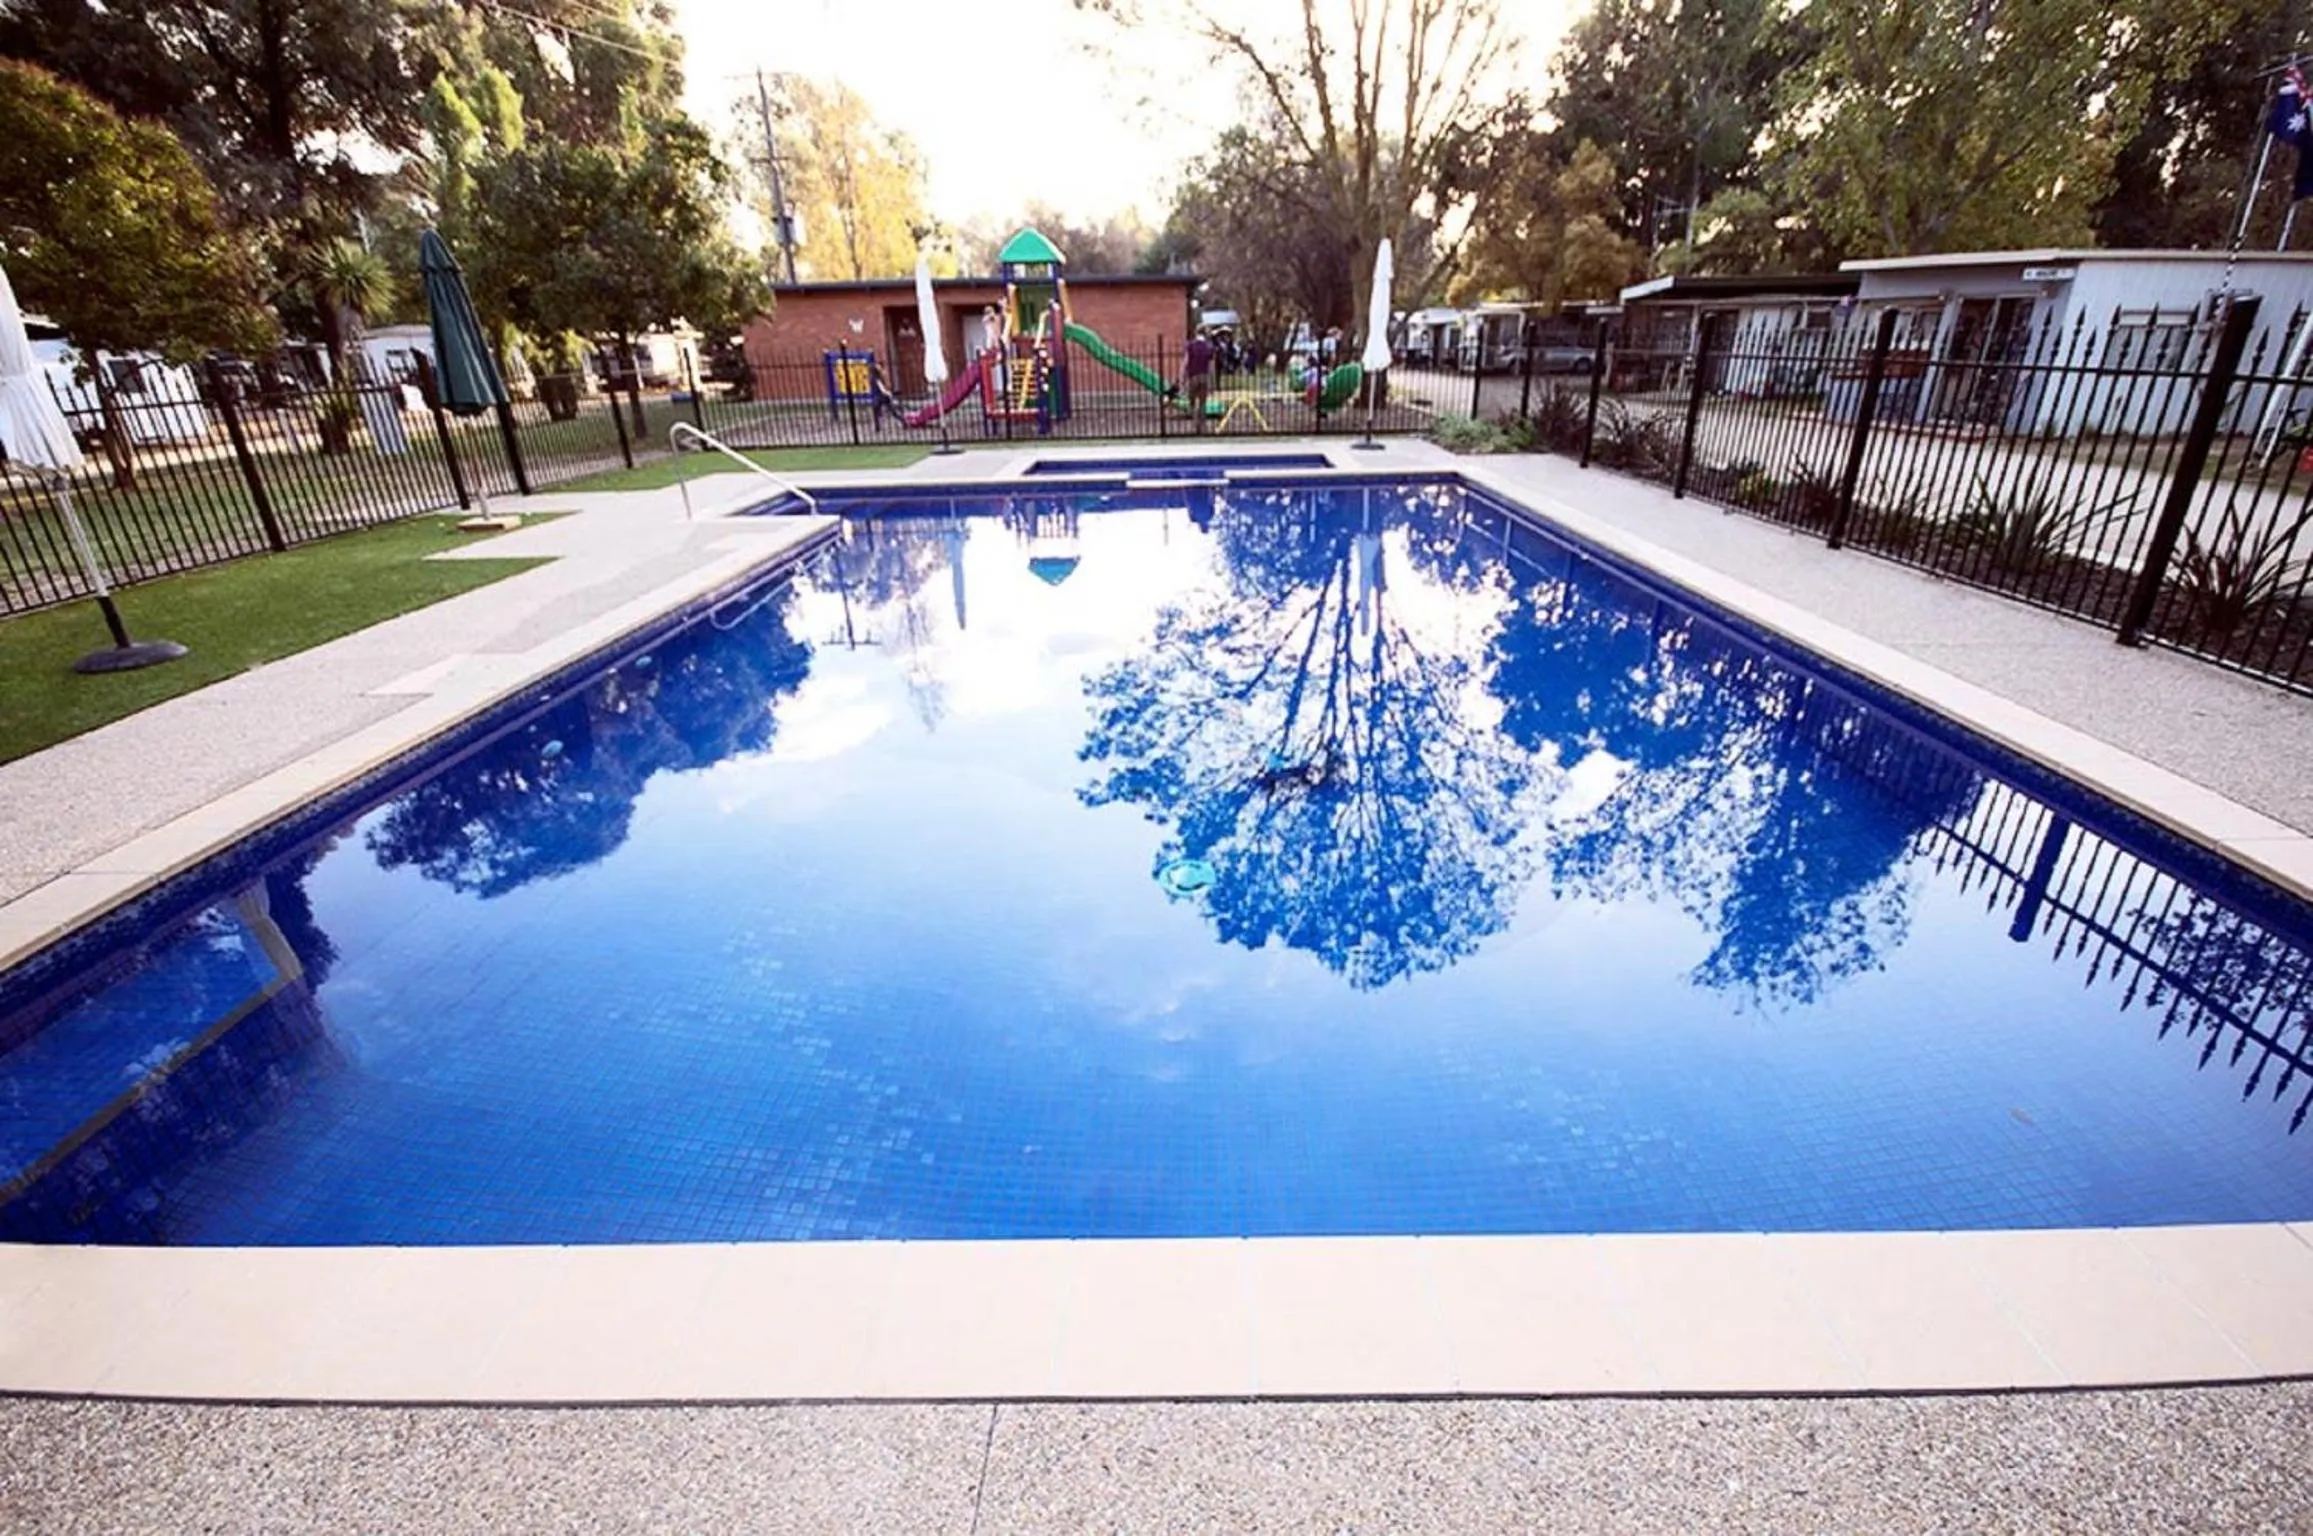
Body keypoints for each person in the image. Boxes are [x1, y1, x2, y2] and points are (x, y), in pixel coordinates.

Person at [1182, 326, 1215, 430]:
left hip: (1193, 376)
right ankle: (1203, 424)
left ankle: (1194, 421)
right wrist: (1212, 381)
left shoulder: (1190, 345)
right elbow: (1211, 366)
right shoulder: (1209, 346)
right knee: (1202, 402)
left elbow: (1185, 362)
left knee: (1191, 400)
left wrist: (1182, 376)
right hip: (1204, 376)